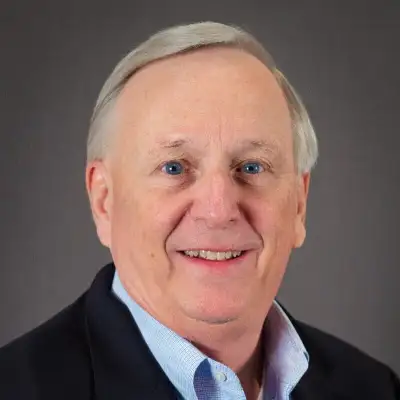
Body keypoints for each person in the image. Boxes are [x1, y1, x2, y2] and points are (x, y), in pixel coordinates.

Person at [0, 21, 398, 400]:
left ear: (299, 203)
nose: (218, 210)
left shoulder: (375, 389)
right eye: (174, 168)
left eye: (252, 167)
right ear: (104, 200)